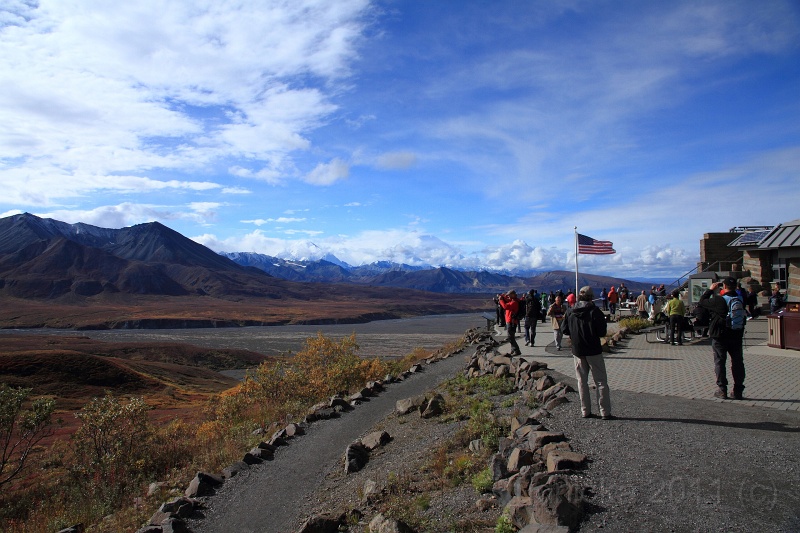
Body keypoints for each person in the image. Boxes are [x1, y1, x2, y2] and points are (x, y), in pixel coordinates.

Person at [560, 286, 612, 420]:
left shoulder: (570, 311)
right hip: (593, 350)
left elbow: (564, 329)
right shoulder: (595, 312)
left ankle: (585, 411)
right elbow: (602, 332)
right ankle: (604, 411)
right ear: (591, 297)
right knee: (600, 381)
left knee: (581, 381)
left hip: (577, 350)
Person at [697, 278, 746, 400]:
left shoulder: (719, 300)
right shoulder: (739, 299)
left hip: (720, 336)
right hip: (736, 334)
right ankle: (738, 390)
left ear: (724, 286)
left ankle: (722, 389)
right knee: (737, 362)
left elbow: (702, 302)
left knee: (720, 362)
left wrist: (710, 290)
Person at [498, 290, 522, 356]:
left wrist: (501, 300)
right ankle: (513, 350)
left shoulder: (514, 302)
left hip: (512, 321)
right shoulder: (513, 300)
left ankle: (517, 350)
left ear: (513, 295)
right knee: (511, 336)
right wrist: (503, 296)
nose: (508, 296)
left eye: (509, 295)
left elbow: (505, 306)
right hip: (511, 321)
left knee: (510, 337)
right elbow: (508, 300)